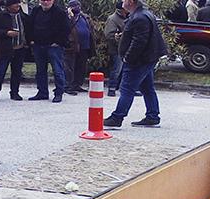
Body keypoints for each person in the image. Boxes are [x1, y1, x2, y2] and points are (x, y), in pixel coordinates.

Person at [103, 0, 167, 128]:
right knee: (147, 88)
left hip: (139, 60)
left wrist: (128, 58)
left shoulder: (140, 17)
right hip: (147, 58)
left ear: (131, 2)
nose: (122, 2)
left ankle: (117, 117)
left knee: (126, 88)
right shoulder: (142, 14)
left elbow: (139, 42)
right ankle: (152, 116)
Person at [26, 0, 70, 102]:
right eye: (43, 0)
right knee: (40, 71)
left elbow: (66, 28)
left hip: (54, 46)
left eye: (48, 0)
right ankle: (42, 92)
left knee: (57, 70)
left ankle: (58, 93)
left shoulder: (59, 12)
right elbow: (29, 26)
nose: (45, 2)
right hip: (38, 45)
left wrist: (58, 42)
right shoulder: (36, 10)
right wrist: (31, 40)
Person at [0, 0, 29, 102]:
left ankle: (15, 92)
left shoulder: (23, 16)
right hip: (4, 49)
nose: (17, 6)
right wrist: (6, 33)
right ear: (9, 6)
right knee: (0, 72)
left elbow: (28, 29)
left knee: (17, 72)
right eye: (15, 4)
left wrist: (28, 41)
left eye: (18, 4)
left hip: (20, 48)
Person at [63, 1, 93, 95]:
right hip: (72, 45)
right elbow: (67, 27)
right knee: (69, 66)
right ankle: (68, 86)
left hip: (84, 45)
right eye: (74, 6)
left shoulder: (84, 16)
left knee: (81, 66)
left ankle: (77, 84)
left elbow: (89, 27)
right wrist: (70, 16)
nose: (77, 7)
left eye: (78, 5)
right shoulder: (66, 17)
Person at [105, 2, 128, 97]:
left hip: (126, 48)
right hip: (117, 49)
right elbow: (109, 35)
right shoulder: (113, 19)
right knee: (116, 69)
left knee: (125, 69)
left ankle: (123, 88)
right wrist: (120, 37)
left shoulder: (127, 17)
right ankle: (112, 88)